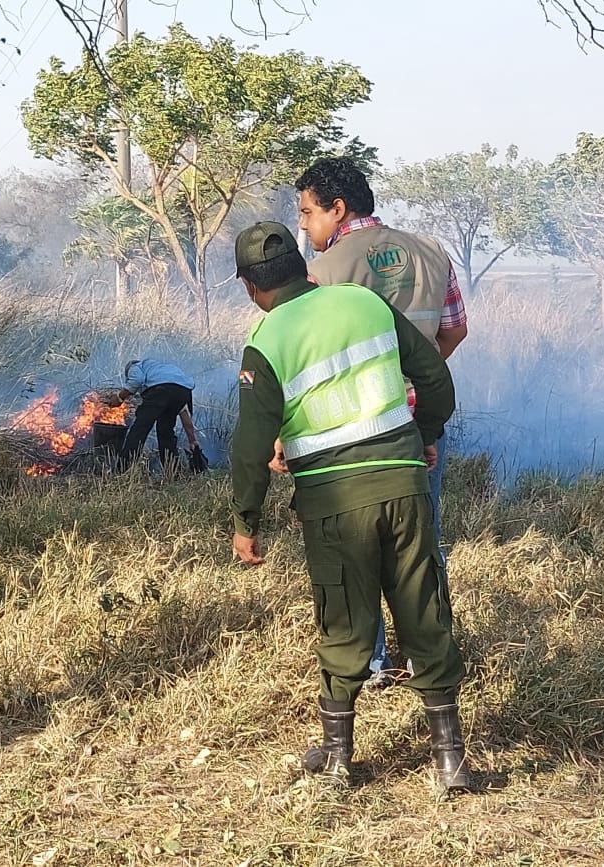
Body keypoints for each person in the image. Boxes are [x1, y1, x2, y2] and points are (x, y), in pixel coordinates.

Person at [230, 220, 471, 795]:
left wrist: (246, 522)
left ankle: (339, 760)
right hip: (406, 488)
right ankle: (450, 762)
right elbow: (434, 377)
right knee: (423, 609)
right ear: (302, 269)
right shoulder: (365, 304)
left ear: (249, 287)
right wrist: (426, 431)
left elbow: (249, 444)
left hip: (335, 503)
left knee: (343, 621)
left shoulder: (266, 342)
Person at [293, 156, 469, 687]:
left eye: (307, 212)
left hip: (352, 429)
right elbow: (454, 330)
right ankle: (425, 655)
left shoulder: (320, 274)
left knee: (354, 545)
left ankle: (369, 663)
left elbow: (307, 355)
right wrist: (415, 383)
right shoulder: (433, 252)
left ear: (337, 209)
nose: (303, 224)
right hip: (417, 425)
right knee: (422, 542)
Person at [107, 359, 204, 472]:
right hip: (183, 391)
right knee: (165, 432)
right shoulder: (164, 370)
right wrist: (193, 441)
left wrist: (119, 397)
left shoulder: (136, 366)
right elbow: (184, 413)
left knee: (140, 429)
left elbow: (136, 380)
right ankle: (173, 472)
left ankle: (122, 469)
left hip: (160, 391)